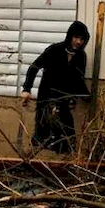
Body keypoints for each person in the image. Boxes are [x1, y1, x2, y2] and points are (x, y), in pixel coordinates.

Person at [20, 20, 91, 154]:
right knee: (44, 133)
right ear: (70, 36)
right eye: (76, 37)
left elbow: (78, 80)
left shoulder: (81, 56)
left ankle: (61, 165)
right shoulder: (54, 50)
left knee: (67, 137)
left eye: (82, 39)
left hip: (64, 100)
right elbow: (34, 67)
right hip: (47, 98)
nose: (78, 42)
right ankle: (36, 161)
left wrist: (86, 96)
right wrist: (27, 89)